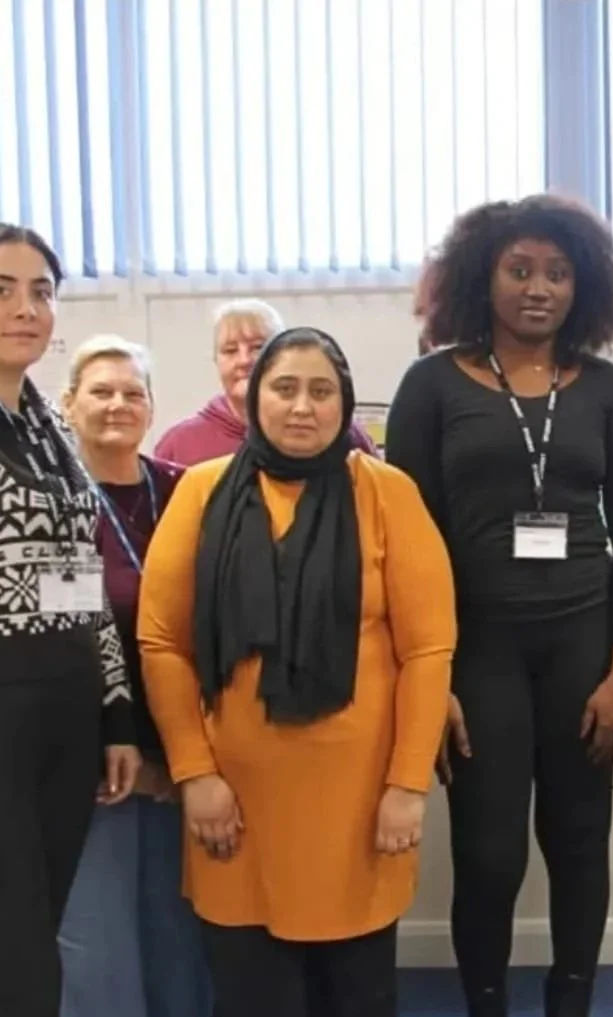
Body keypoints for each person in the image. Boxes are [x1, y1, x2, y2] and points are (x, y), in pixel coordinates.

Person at [385, 194, 613, 1017]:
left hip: (584, 647)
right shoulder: (431, 385)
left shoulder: (606, 389)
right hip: (477, 653)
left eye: (559, 272)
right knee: (490, 854)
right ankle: (488, 1006)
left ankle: (570, 1004)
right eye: (520, 270)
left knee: (577, 848)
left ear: (584, 288)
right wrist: (428, 679)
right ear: (483, 276)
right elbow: (406, 544)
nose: (539, 288)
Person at [137, 327, 455, 1017]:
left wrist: (407, 785)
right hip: (235, 807)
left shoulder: (386, 493)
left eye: (321, 390)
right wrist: (195, 773)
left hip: (360, 807)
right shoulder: (200, 491)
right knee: (254, 995)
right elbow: (162, 641)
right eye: (284, 388)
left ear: (344, 403)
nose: (302, 406)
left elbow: (428, 650)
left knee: (357, 995)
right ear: (254, 398)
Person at [0, 222, 140, 1017]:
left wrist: (114, 712)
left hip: (66, 712)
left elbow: (85, 582)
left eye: (40, 291)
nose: (25, 307)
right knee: (7, 945)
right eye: (0, 288)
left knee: (38, 933)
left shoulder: (48, 429)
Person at [57, 335, 213, 1017]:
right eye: (101, 390)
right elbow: (59, 639)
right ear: (68, 403)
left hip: (189, 752)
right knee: (100, 944)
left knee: (183, 935)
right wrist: (109, 740)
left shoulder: (186, 493)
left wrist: (187, 754)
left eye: (133, 391)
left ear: (152, 405)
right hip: (97, 759)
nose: (118, 403)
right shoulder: (52, 503)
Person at [153, 298, 375, 464]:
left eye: (258, 347)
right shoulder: (179, 445)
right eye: (230, 350)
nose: (244, 360)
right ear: (216, 361)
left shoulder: (342, 434)